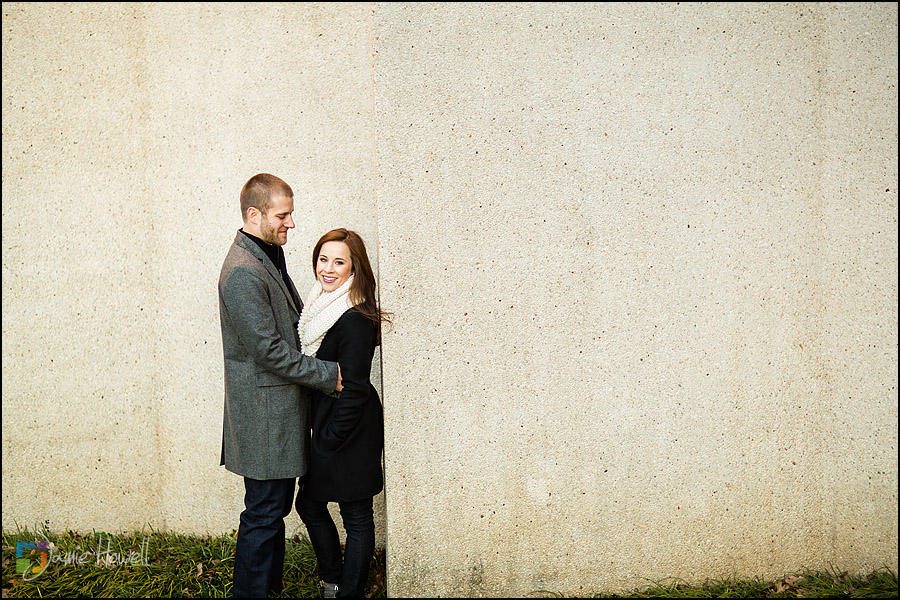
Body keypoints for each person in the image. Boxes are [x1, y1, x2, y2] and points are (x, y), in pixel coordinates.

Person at [218, 173, 343, 598]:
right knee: (264, 512)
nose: (290, 223)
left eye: (290, 213)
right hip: (265, 418)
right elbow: (269, 352)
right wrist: (329, 374)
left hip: (276, 414)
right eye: (282, 215)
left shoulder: (266, 255)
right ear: (254, 214)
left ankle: (264, 589)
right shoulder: (242, 272)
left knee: (270, 510)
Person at [295, 228, 390, 598]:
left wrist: (330, 438)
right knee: (310, 502)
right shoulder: (319, 306)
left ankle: (345, 591)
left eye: (339, 262)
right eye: (323, 259)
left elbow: (354, 387)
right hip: (330, 423)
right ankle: (333, 580)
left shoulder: (354, 316)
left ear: (354, 268)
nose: (328, 269)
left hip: (350, 427)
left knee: (357, 516)